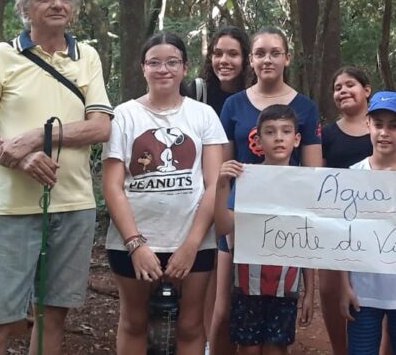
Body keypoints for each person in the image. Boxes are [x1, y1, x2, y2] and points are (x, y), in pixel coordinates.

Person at [0, 0, 113, 354]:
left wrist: (37, 138)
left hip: (75, 205)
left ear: (75, 8)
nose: (58, 3)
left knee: (51, 320)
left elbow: (100, 127)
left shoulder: (88, 57)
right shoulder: (2, 56)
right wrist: (17, 157)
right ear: (24, 8)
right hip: (11, 207)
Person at [102, 33, 227, 354]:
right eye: (154, 62)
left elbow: (214, 184)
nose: (163, 69)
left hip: (194, 240)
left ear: (185, 68)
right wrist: (135, 245)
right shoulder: (124, 115)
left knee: (189, 325)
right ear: (143, 68)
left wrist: (191, 245)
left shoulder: (203, 115)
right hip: (132, 241)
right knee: (134, 322)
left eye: (172, 62)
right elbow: (113, 185)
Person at [214, 105, 315, 354]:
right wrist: (221, 185)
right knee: (248, 348)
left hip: (286, 286)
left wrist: (310, 291)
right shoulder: (247, 179)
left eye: (286, 131)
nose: (279, 137)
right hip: (248, 283)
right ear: (258, 140)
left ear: (297, 138)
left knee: (276, 349)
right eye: (270, 132)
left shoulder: (307, 183)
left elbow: (311, 242)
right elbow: (224, 226)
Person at [340, 91, 396, 355]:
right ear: (368, 126)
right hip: (362, 292)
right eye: (378, 124)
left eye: (393, 125)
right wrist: (344, 286)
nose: (384, 133)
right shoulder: (351, 177)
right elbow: (343, 237)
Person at [196, 26, 252, 355]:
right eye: (218, 53)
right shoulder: (198, 91)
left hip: (239, 192)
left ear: (245, 58)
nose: (224, 60)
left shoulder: (252, 96)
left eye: (232, 54)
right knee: (209, 273)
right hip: (202, 190)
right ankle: (206, 342)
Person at [321, 66, 374, 355]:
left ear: (367, 90)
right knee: (330, 291)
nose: (342, 91)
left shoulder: (382, 128)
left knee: (375, 294)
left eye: (349, 85)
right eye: (337, 87)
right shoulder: (327, 134)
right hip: (335, 225)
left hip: (378, 226)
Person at [219, 26, 322, 167]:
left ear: (287, 58)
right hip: (244, 188)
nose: (267, 60)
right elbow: (222, 168)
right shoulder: (233, 105)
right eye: (260, 54)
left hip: (289, 188)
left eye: (275, 53)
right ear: (251, 60)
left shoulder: (306, 107)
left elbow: (313, 171)